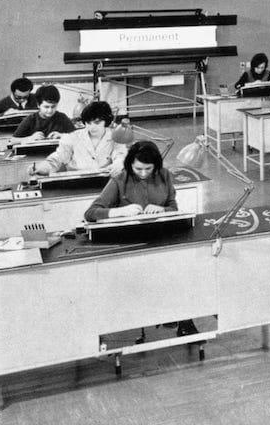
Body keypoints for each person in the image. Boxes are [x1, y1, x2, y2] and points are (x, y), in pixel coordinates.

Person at [84, 141, 197, 338]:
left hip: (160, 237)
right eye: (138, 169)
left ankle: (182, 318)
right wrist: (119, 211)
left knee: (182, 267)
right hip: (129, 244)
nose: (143, 173)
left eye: (148, 169)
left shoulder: (165, 176)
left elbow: (173, 207)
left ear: (156, 166)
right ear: (130, 165)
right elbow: (91, 213)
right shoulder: (120, 179)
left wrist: (162, 209)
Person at [31, 100, 126, 176]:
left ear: (106, 121)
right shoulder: (72, 138)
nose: (92, 127)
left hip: (104, 182)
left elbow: (120, 156)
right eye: (88, 123)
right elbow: (58, 159)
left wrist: (118, 164)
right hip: (75, 183)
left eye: (97, 123)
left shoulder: (116, 137)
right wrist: (40, 167)